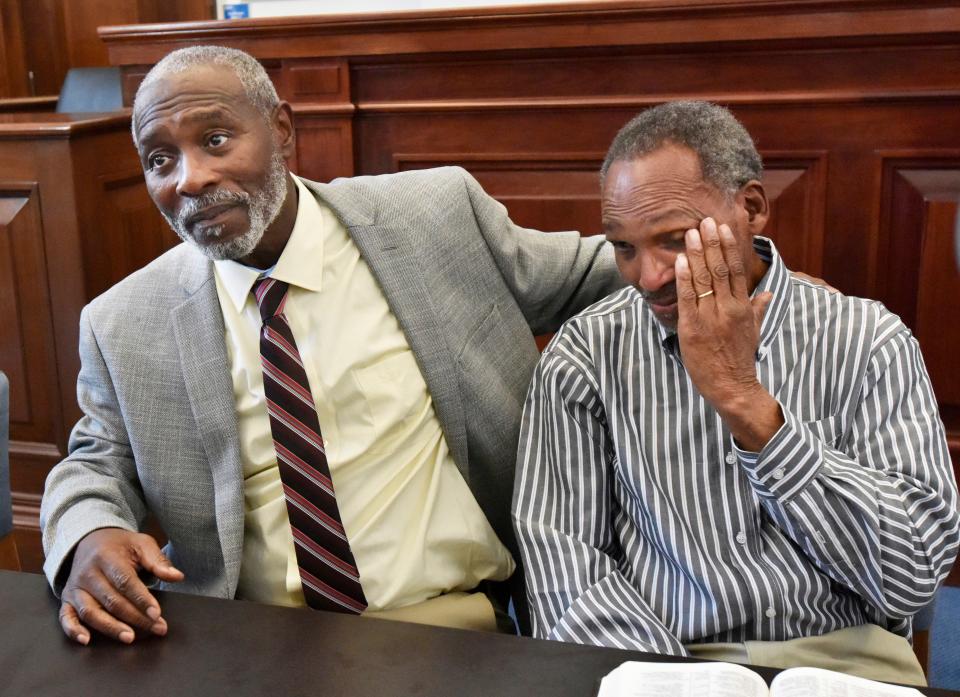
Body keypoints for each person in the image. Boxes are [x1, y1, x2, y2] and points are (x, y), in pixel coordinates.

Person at [40, 45, 623, 646]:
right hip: (249, 642)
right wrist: (88, 533)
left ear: (281, 129)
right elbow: (94, 462)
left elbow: (604, 270)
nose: (190, 178)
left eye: (215, 140)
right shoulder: (124, 321)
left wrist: (712, 244)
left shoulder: (435, 219)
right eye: (160, 159)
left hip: (456, 629)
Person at [512, 100, 959, 685]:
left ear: (751, 208)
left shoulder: (868, 340)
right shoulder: (586, 356)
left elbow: (914, 573)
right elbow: (564, 572)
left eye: (673, 239)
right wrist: (673, 680)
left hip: (848, 664)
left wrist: (748, 405)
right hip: (665, 661)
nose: (648, 276)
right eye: (624, 247)